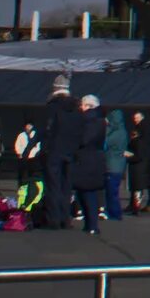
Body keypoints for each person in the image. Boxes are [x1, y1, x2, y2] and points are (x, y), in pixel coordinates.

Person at [66, 93, 110, 236]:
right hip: (93, 160)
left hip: (87, 160)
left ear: (87, 106)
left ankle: (92, 225)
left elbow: (84, 139)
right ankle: (90, 224)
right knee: (85, 192)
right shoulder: (99, 120)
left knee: (87, 192)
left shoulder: (90, 121)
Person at [40, 87, 77, 229]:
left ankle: (53, 219)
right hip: (70, 152)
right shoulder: (75, 110)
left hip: (54, 152)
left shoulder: (52, 108)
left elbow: (45, 130)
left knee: (53, 186)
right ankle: (65, 218)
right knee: (66, 187)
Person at [100, 103, 131, 220]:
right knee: (112, 190)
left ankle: (115, 213)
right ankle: (113, 212)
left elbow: (105, 142)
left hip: (113, 165)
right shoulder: (122, 131)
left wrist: (106, 128)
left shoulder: (117, 133)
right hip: (117, 164)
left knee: (112, 191)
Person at [127, 111, 150, 214]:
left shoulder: (140, 134)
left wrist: (130, 156)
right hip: (145, 159)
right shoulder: (147, 129)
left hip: (139, 161)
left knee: (137, 185)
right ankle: (140, 205)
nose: (135, 120)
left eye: (137, 118)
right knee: (145, 183)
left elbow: (138, 150)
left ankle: (135, 206)